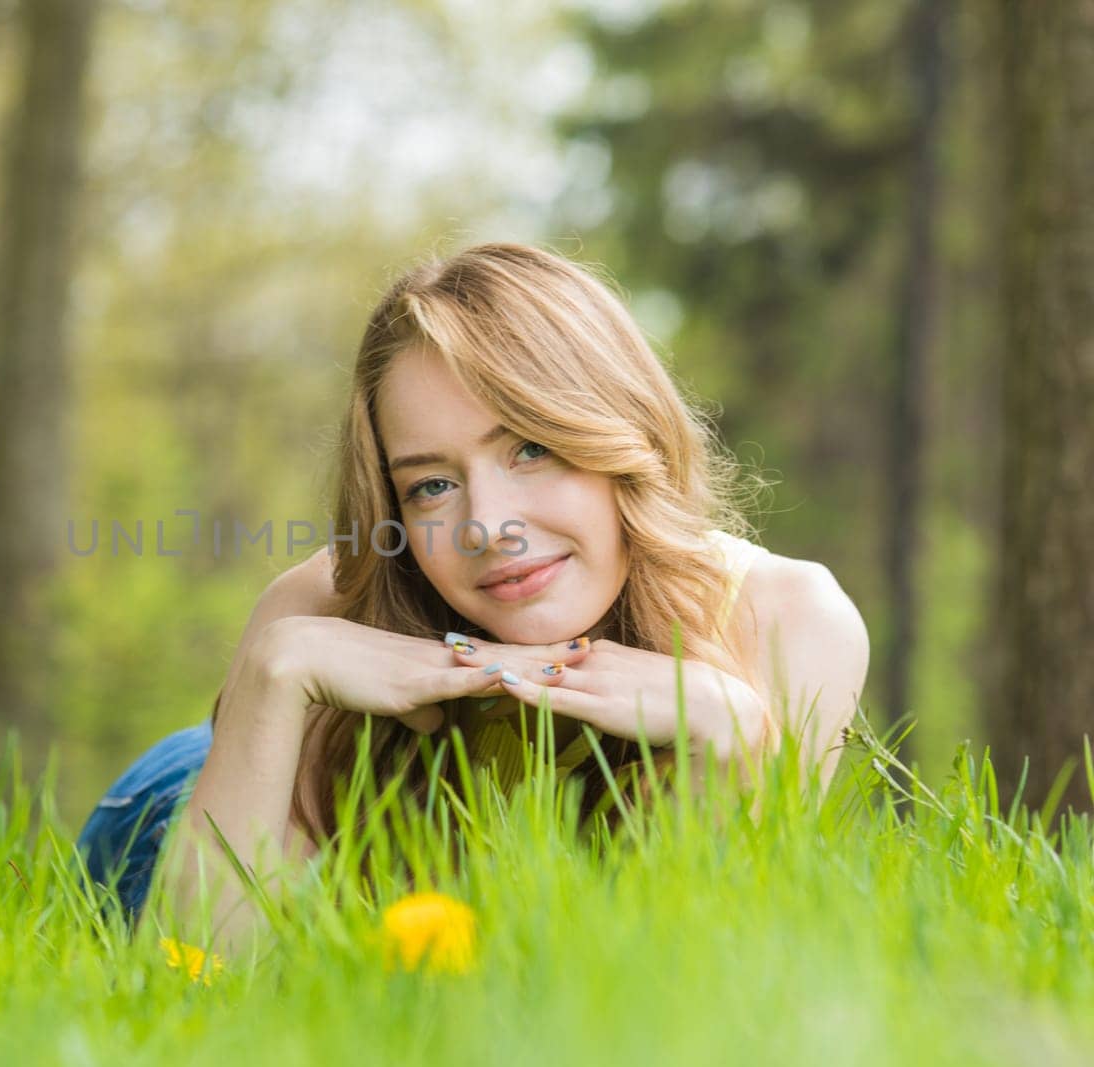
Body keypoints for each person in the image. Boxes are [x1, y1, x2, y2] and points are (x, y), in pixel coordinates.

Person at [74, 243, 870, 951]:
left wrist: (728, 737)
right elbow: (200, 979)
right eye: (431, 484)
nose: (487, 527)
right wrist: (273, 674)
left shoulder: (786, 621)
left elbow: (681, 980)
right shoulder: (325, 604)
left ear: (623, 434)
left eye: (530, 447)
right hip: (190, 804)